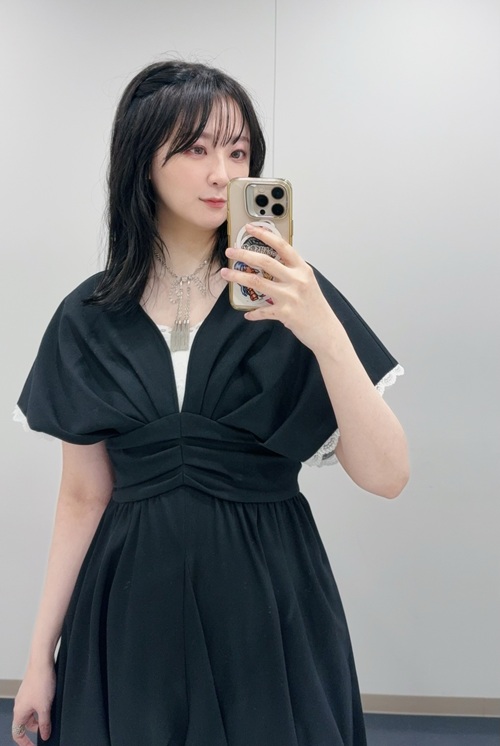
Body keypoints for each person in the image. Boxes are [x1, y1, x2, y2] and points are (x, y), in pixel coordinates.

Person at [11, 60, 409, 746]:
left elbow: (388, 475)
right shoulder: (88, 316)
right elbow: (82, 497)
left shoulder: (294, 296)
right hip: (129, 609)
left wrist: (322, 331)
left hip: (269, 605)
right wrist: (38, 657)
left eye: (238, 151)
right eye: (196, 149)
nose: (223, 173)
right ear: (143, 161)